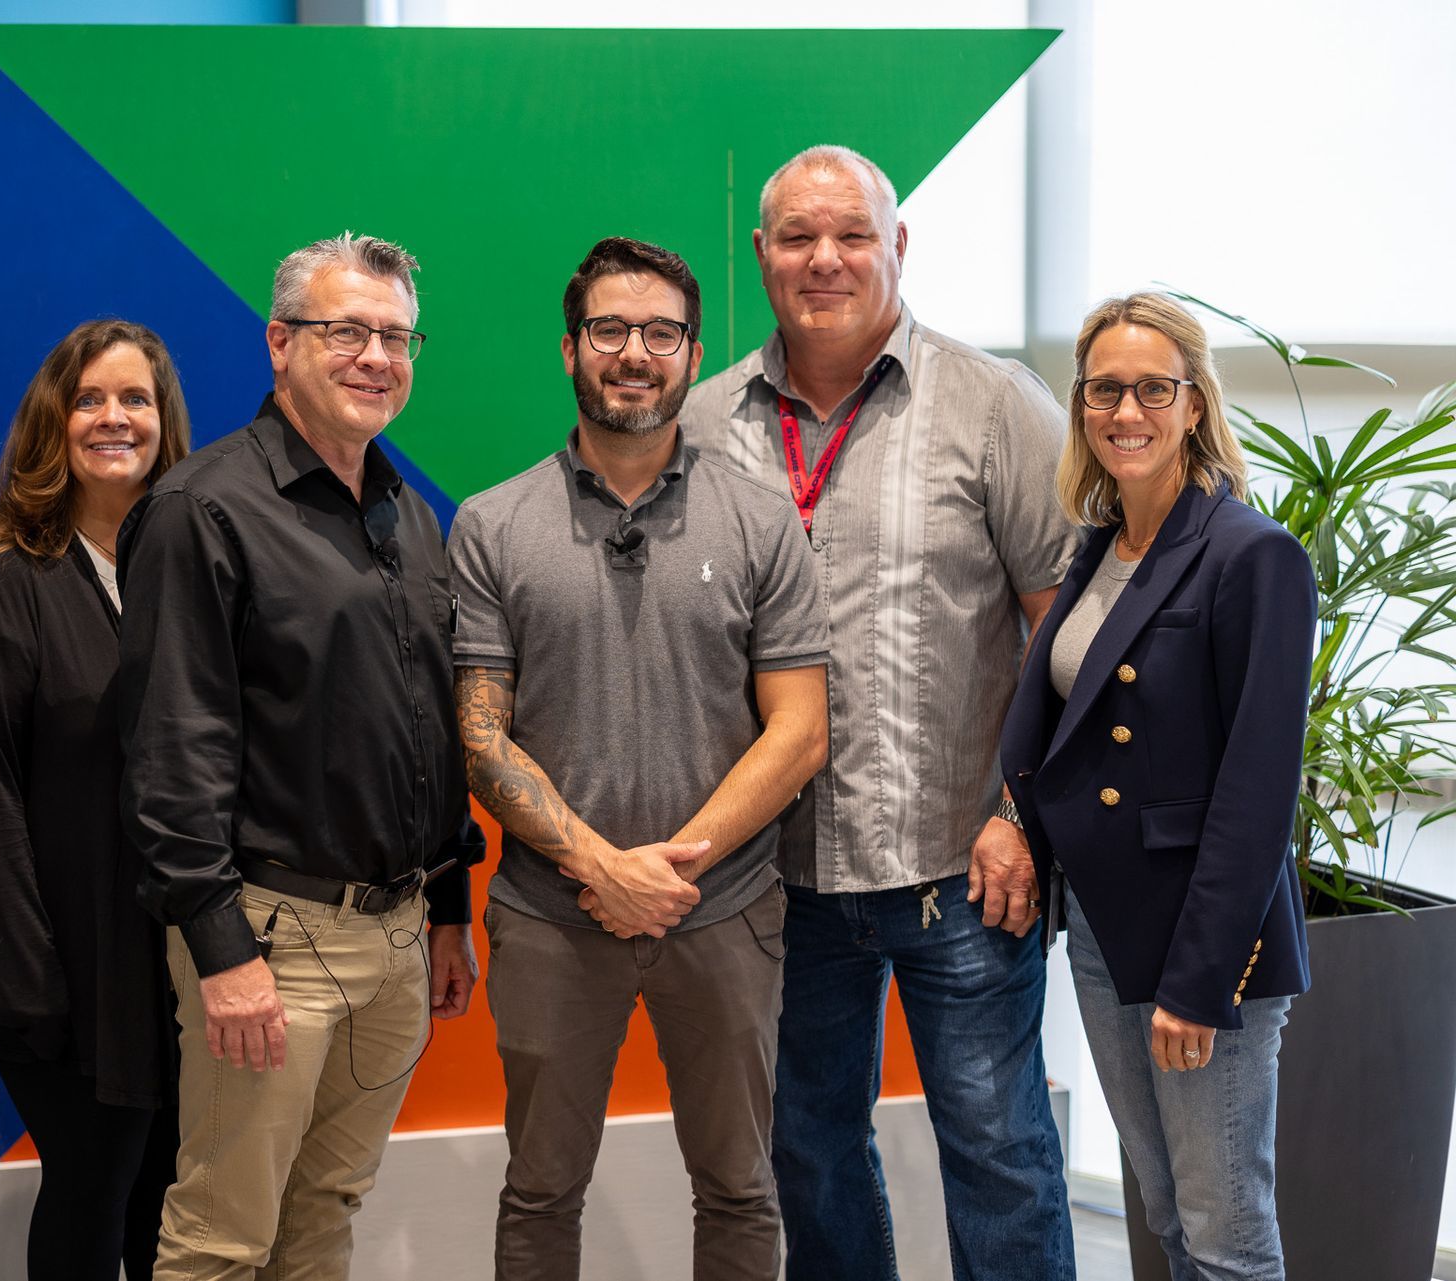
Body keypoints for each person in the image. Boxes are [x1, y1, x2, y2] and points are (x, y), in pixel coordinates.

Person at [679, 144, 1079, 1278]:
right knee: (809, 1153)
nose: (826, 259)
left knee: (1000, 1155)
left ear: (896, 245)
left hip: (965, 866)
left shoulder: (995, 405)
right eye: (798, 237)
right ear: (760, 254)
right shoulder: (703, 424)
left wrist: (1024, 815)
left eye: (852, 234)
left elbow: (1068, 641)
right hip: (777, 880)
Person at [451, 236, 830, 1280]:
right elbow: (480, 735)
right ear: (569, 348)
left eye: (661, 333)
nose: (633, 353)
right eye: (609, 330)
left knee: (741, 1189)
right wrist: (601, 867)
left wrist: (670, 870)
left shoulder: (762, 523)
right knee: (540, 1192)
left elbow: (800, 729)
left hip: (725, 911)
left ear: (693, 355)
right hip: (551, 917)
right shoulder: (492, 524)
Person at [116, 232, 484, 1281]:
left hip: (398, 936)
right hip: (270, 940)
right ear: (280, 343)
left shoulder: (407, 516)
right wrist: (223, 951)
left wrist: (447, 909)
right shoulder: (201, 509)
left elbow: (426, 724)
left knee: (326, 1210)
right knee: (222, 1237)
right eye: (347, 331)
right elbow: (171, 750)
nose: (377, 357)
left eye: (397, 338)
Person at [1000, 292, 1314, 1279]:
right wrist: (1011, 819)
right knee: (1169, 1215)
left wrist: (1201, 978)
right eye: (1104, 391)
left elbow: (1257, 791)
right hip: (1104, 928)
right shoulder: (1099, 545)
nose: (1125, 412)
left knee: (1227, 1235)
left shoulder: (1252, 555)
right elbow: (1063, 731)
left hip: (1199, 937)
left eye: (1151, 389)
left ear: (1194, 403)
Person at [0, 319, 190, 1279]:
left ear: (165, 422)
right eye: (89, 399)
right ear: (54, 420)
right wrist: (29, 982)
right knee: (91, 1191)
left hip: (174, 960)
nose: (113, 417)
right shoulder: (4, 581)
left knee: (166, 1196)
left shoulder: (185, 567)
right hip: (61, 974)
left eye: (135, 399)